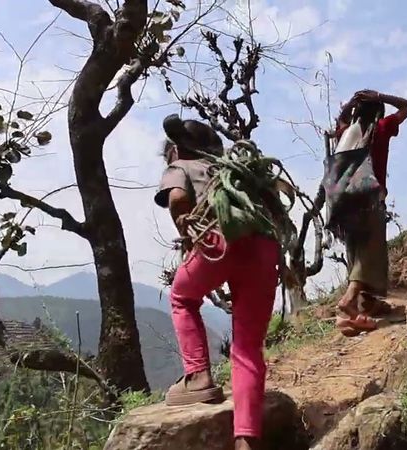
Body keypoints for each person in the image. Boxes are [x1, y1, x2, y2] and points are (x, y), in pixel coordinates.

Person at [155, 116, 279, 450]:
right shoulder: (233, 172)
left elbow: (179, 198)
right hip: (265, 248)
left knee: (182, 298)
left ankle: (197, 376)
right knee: (247, 347)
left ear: (177, 149)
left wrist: (186, 228)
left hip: (219, 240)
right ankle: (246, 438)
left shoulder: (180, 164)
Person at [332, 90, 407, 334]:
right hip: (369, 199)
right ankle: (348, 301)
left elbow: (341, 119)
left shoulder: (346, 134)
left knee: (356, 251)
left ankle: (366, 305)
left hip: (343, 202)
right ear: (378, 111)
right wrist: (381, 95)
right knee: (370, 252)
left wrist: (351, 102)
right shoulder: (381, 127)